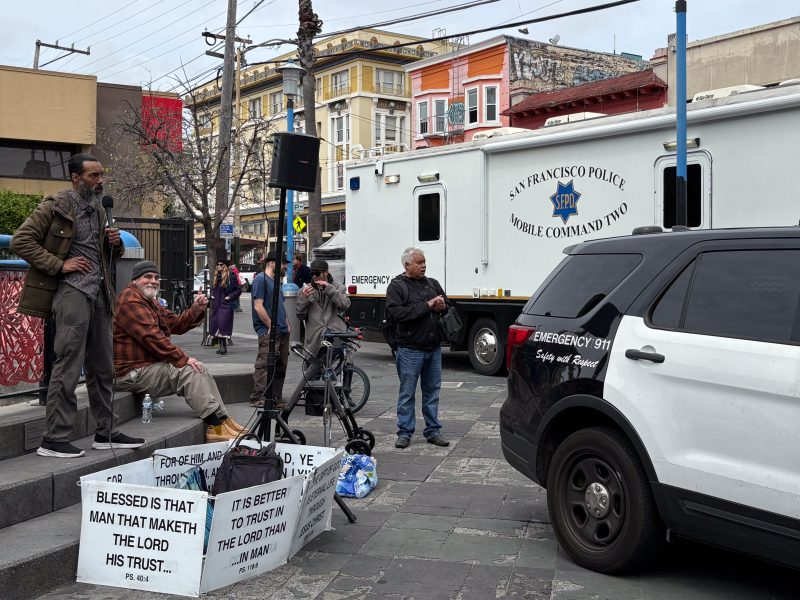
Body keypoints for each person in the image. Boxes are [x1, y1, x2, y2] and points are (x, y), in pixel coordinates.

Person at [11, 152, 144, 458]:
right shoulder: (56, 205)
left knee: (103, 366)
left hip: (99, 293)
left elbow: (106, 257)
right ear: (76, 178)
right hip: (71, 293)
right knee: (68, 364)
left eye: (101, 176)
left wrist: (116, 244)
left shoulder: (98, 211)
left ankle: (105, 431)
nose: (100, 182)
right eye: (93, 176)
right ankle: (53, 439)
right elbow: (21, 240)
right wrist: (59, 264)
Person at [113, 260, 248, 442]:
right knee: (187, 370)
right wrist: (182, 359)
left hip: (146, 367)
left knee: (200, 368)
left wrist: (196, 309)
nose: (153, 281)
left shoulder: (149, 301)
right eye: (148, 277)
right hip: (129, 372)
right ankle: (214, 426)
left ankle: (224, 420)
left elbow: (175, 324)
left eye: (156, 277)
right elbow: (152, 337)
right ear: (135, 280)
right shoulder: (130, 300)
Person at [385, 247, 449, 449]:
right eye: (419, 263)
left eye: (424, 262)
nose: (424, 266)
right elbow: (398, 314)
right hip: (410, 349)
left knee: (432, 392)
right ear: (407, 265)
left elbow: (447, 304)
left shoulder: (432, 283)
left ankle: (433, 431)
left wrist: (442, 305)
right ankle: (404, 432)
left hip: (433, 347)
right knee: (407, 393)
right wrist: (427, 306)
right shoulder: (397, 286)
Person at [250, 253, 291, 408]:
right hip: (268, 331)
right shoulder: (261, 279)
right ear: (271, 263)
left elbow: (280, 305)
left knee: (281, 365)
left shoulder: (276, 282)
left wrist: (287, 324)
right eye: (283, 263)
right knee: (264, 365)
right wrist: (270, 326)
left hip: (282, 330)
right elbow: (258, 306)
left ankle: (275, 397)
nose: (286, 266)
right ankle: (258, 397)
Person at [296, 258, 351, 353]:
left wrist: (330, 289)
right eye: (311, 273)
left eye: (317, 273)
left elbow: (345, 305)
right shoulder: (304, 290)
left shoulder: (338, 287)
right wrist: (304, 299)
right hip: (314, 340)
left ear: (326, 273)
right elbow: (300, 316)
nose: (314, 276)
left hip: (335, 336)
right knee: (313, 367)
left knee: (339, 365)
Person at [208, 259, 241, 355]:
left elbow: (238, 290)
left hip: (226, 304)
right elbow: (213, 289)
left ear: (225, 266)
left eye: (221, 265)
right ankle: (221, 346)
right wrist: (212, 295)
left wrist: (229, 297)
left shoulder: (231, 276)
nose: (218, 266)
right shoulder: (216, 277)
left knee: (223, 325)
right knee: (216, 325)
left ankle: (223, 347)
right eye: (217, 264)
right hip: (216, 304)